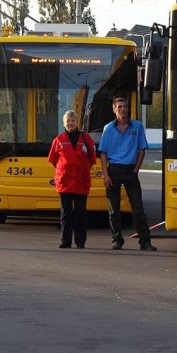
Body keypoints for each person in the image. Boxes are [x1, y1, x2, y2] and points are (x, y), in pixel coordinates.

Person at [98, 96, 156, 251]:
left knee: (138, 208)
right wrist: (106, 175)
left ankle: (145, 242)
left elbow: (142, 149)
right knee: (113, 209)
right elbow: (103, 153)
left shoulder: (137, 127)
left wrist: (136, 170)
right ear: (114, 109)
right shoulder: (108, 129)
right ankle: (117, 240)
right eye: (119, 107)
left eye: (125, 106)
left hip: (130, 170)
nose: (123, 109)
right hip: (114, 170)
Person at [47, 110, 97, 248]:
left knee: (81, 213)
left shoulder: (87, 139)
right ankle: (65, 241)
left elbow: (92, 159)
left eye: (73, 120)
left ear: (77, 122)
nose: (70, 123)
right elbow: (53, 160)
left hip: (81, 181)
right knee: (66, 213)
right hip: (64, 182)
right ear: (64, 123)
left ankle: (80, 242)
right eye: (68, 121)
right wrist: (64, 168)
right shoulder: (58, 140)